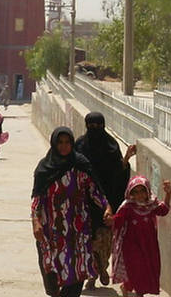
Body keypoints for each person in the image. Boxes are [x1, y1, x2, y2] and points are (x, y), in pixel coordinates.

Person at [31, 127, 112, 297]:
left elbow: (94, 191)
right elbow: (37, 198)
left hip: (78, 231)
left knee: (76, 273)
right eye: (60, 142)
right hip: (51, 231)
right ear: (54, 143)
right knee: (52, 277)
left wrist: (107, 208)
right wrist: (36, 222)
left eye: (67, 142)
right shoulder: (44, 169)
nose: (64, 146)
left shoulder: (81, 165)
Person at [75, 112, 137, 290]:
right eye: (91, 126)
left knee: (104, 239)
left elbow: (118, 171)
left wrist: (125, 159)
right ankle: (93, 273)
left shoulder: (111, 146)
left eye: (98, 126)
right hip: (85, 200)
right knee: (88, 239)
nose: (94, 129)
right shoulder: (79, 145)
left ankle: (101, 267)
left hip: (107, 200)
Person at [108, 176, 171, 297]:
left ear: (147, 191)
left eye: (142, 191)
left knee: (146, 270)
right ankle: (138, 293)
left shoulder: (152, 204)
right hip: (131, 246)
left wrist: (168, 194)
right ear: (130, 193)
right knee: (136, 270)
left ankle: (126, 287)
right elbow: (118, 221)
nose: (139, 195)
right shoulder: (127, 207)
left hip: (149, 245)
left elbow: (163, 210)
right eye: (135, 192)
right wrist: (111, 220)